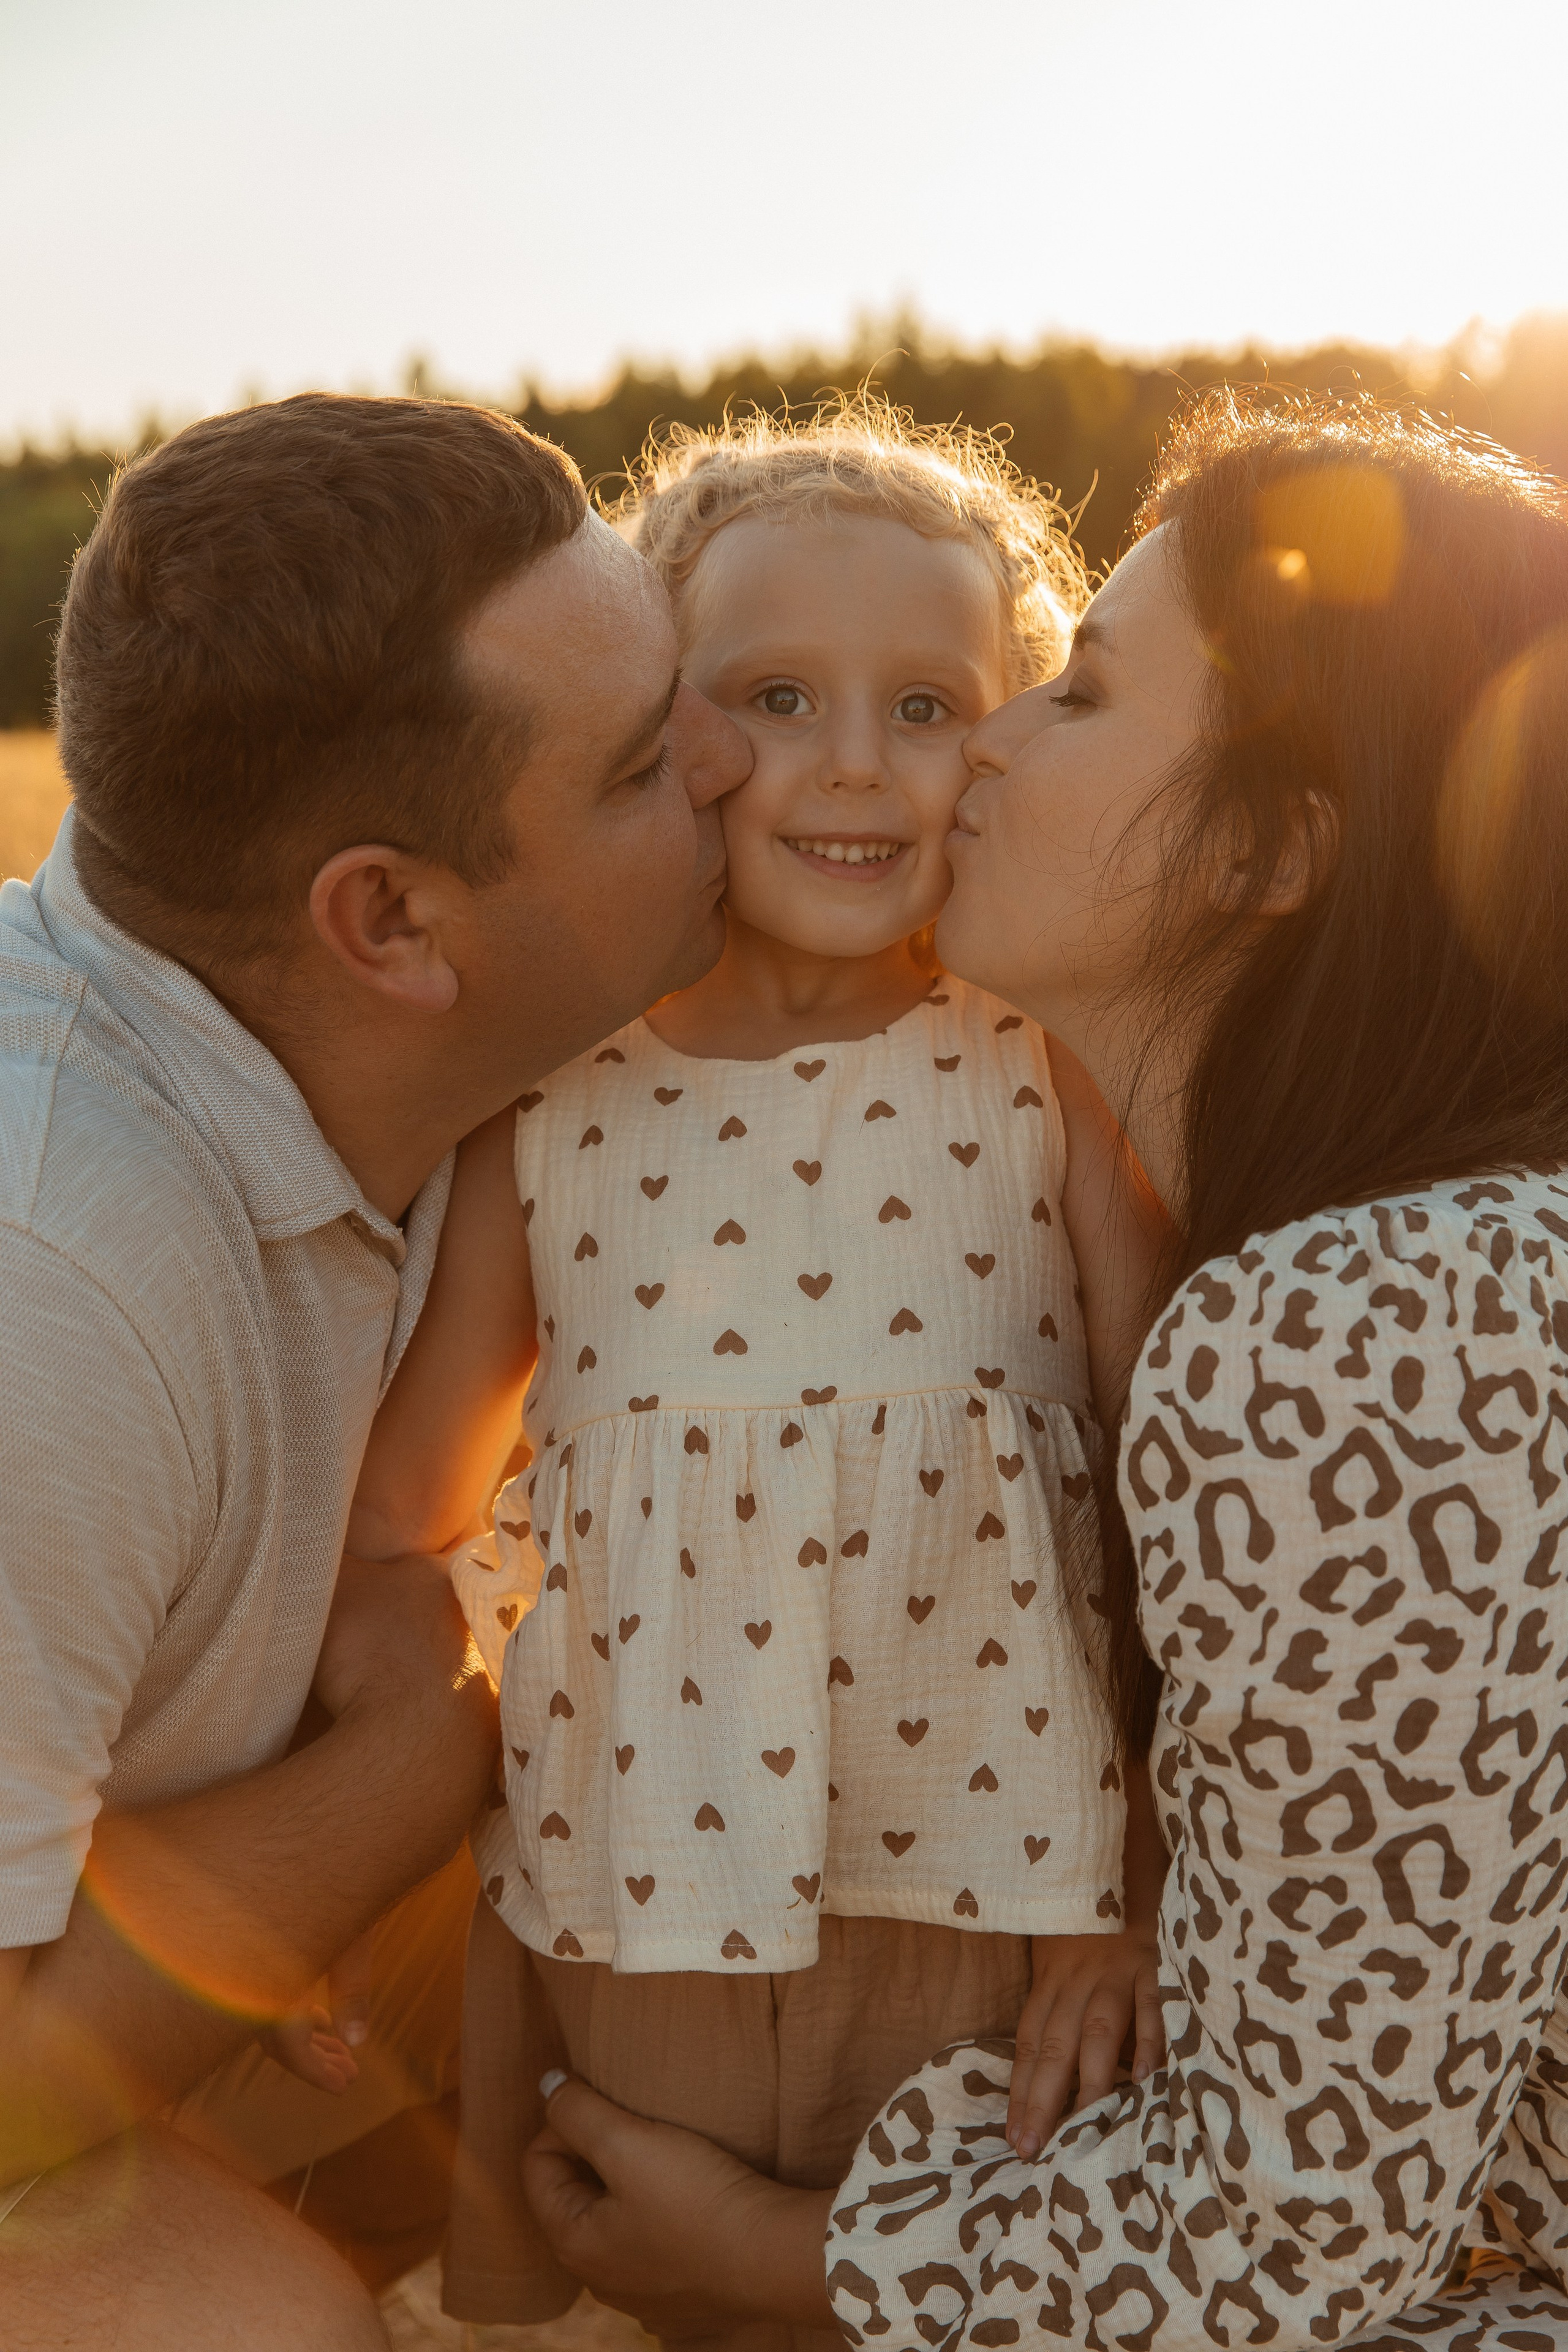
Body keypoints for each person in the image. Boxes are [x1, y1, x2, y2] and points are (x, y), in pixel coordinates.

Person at [506, 391, 1568, 2352]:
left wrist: (765, 2258)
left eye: (1068, 695)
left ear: (1264, 848)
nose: (966, 742)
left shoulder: (1364, 1325)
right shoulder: (1426, 1258)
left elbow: (1301, 2235)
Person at [349, 405, 1170, 2339]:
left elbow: (1172, 1487)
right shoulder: (554, 1094)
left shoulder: (1037, 1062)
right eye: (780, 698)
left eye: (930, 704)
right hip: (641, 1875)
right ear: (671, 734)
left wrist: (1140, 1885)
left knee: (927, 2302)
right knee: (659, 2292)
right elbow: (411, 1515)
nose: (858, 766)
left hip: (1009, 1906)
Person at [0, 390, 747, 2351]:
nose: (739, 768)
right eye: (647, 765)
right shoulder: (49, 1279)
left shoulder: (453, 1057)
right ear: (393, 920)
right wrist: (432, 1752)